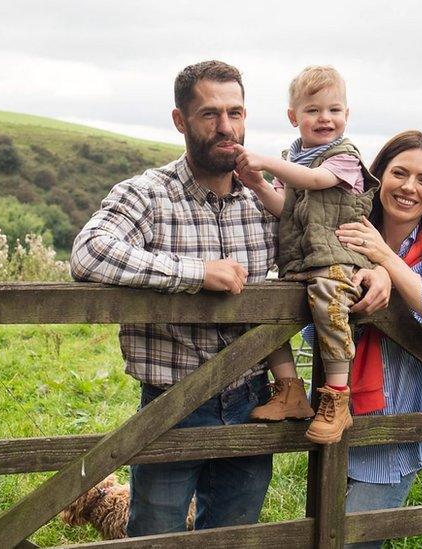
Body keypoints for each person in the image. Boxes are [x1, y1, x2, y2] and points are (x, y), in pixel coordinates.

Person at [70, 60, 283, 537]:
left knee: (232, 534)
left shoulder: (264, 199)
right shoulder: (149, 194)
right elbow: (89, 253)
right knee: (155, 534)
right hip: (173, 400)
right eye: (210, 114)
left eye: (236, 112)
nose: (226, 127)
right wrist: (194, 273)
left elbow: (321, 250)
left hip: (253, 398)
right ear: (180, 121)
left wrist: (372, 272)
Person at [334, 130, 422, 548]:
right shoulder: (348, 235)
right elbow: (310, 327)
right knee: (324, 532)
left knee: (352, 543)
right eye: (399, 173)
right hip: (336, 416)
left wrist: (385, 261)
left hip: (396, 428)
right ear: (379, 177)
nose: (408, 187)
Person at [233, 66, 380, 444]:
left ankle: (336, 397)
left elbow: (317, 181)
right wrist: (258, 184)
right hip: (298, 264)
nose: (325, 119)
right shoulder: (292, 157)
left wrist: (264, 161)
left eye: (334, 110)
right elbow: (284, 207)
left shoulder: (345, 156)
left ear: (347, 115)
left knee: (331, 307)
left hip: (337, 261)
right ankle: (289, 389)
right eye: (313, 110)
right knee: (261, 308)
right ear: (293, 116)